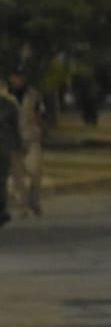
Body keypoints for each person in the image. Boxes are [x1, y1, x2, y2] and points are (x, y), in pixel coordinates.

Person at [7, 66, 44, 218]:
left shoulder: (33, 94)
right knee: (18, 175)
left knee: (35, 171)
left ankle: (34, 201)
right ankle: (22, 206)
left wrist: (40, 130)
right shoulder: (6, 96)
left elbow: (40, 114)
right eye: (15, 76)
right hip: (13, 140)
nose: (18, 80)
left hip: (31, 138)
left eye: (21, 77)